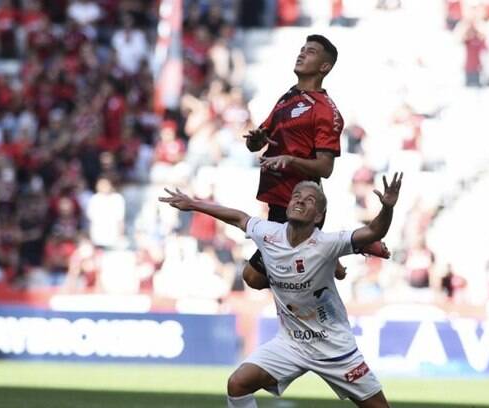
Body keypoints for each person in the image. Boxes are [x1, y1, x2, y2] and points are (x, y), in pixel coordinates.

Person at [159, 172, 403, 407]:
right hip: (291, 344)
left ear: (318, 217)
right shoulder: (268, 234)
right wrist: (193, 204)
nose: (299, 200)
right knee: (237, 384)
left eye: (309, 200)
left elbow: (374, 232)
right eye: (296, 196)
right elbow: (237, 218)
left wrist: (388, 207)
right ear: (287, 206)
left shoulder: (327, 244)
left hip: (334, 348)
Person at [242, 34, 388, 289]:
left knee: (253, 278)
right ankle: (335, 251)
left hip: (300, 206)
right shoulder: (288, 97)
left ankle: (338, 248)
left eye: (310, 51)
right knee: (270, 274)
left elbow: (325, 168)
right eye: (301, 49)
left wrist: (289, 160)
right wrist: (255, 141)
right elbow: (259, 142)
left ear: (324, 67)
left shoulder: (326, 111)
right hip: (278, 201)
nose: (301, 54)